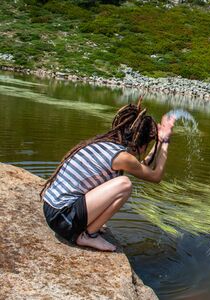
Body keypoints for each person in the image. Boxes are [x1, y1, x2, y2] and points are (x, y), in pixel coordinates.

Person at [41, 98, 175, 251]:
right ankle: (88, 235)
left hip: (52, 209)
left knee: (119, 183)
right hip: (62, 218)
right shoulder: (122, 157)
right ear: (141, 144)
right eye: (147, 145)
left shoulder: (107, 144)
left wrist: (161, 140)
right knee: (124, 184)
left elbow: (142, 167)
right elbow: (155, 176)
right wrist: (165, 142)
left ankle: (89, 226)